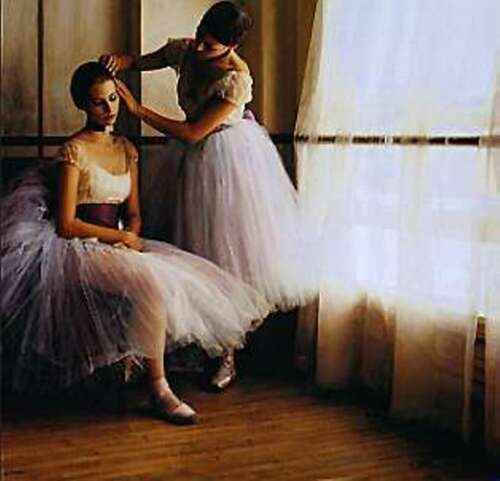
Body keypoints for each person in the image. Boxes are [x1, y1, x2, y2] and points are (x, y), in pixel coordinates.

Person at [0, 61, 271, 424]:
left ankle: (147, 370)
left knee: (178, 278)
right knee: (151, 285)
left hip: (120, 243)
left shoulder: (126, 149)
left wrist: (132, 237)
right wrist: (119, 238)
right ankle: (159, 390)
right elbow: (66, 224)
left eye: (113, 98)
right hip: (80, 246)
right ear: (83, 105)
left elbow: (134, 213)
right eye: (98, 102)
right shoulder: (74, 151)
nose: (109, 108)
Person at [99, 1, 318, 391]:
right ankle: (193, 343)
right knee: (189, 253)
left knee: (225, 258)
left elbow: (192, 132)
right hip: (190, 162)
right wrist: (120, 61)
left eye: (211, 45)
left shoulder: (237, 78)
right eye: (200, 36)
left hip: (227, 161)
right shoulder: (185, 50)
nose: (200, 48)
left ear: (232, 46)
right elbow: (141, 61)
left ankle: (228, 353)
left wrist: (137, 109)